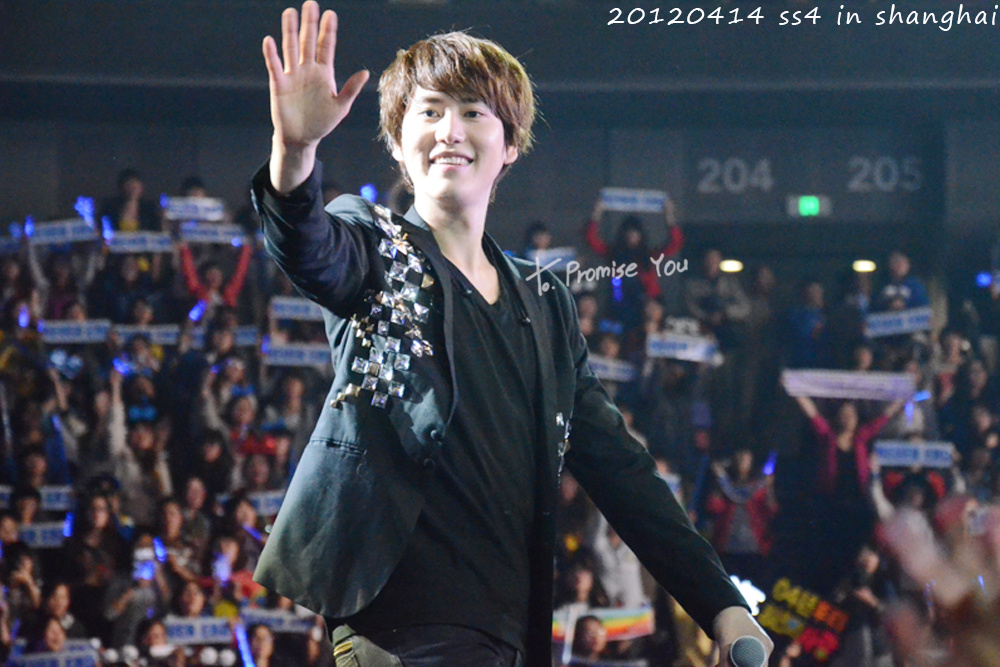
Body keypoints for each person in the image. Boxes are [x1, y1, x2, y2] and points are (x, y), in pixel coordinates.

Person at [250, 3, 771, 666]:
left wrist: (721, 603)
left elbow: (621, 468)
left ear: (511, 146)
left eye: (473, 112)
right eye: (429, 111)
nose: (450, 130)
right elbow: (309, 247)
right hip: (400, 626)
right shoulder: (373, 242)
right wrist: (295, 153)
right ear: (398, 143)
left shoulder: (546, 302)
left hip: (512, 631)